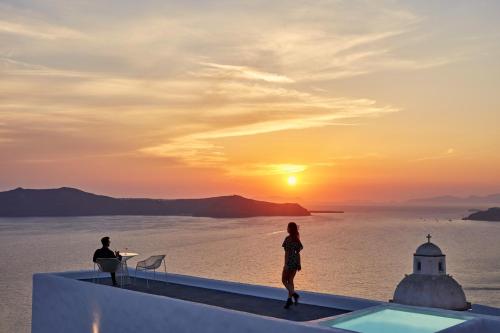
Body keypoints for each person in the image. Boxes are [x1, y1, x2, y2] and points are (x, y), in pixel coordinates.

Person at [281, 222, 303, 309]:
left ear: (290, 229)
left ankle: (294, 294)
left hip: (289, 262)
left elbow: (286, 253)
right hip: (295, 262)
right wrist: (299, 264)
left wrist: (285, 264)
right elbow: (298, 253)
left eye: (288, 227)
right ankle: (289, 300)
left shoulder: (288, 239)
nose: (287, 228)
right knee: (290, 280)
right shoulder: (297, 239)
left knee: (283, 280)